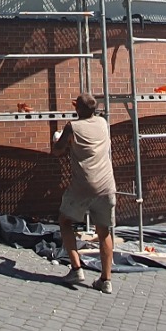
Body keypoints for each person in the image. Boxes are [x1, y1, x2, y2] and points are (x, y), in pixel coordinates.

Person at [52, 93, 116, 293]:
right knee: (104, 230)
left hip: (83, 186)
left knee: (65, 221)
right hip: (107, 185)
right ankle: (106, 280)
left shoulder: (73, 126)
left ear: (77, 108)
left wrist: (57, 138)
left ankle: (76, 268)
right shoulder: (103, 123)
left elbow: (58, 150)